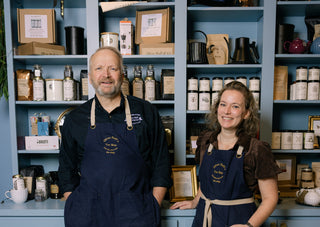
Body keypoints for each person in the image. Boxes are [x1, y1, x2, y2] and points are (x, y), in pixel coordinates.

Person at [58, 46, 172, 227]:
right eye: (99, 68)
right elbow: (66, 170)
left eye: (113, 68)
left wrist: (152, 205)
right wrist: (75, 204)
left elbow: (161, 164)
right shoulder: (75, 119)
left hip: (137, 216)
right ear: (90, 75)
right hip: (88, 217)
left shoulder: (146, 111)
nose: (106, 74)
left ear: (122, 73)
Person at [170, 81, 281, 227]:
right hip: (203, 218)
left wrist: (249, 226)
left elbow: (270, 198)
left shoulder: (256, 149)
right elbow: (207, 181)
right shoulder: (206, 141)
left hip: (238, 221)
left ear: (246, 113)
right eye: (223, 104)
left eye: (235, 106)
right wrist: (195, 201)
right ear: (217, 108)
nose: (227, 111)